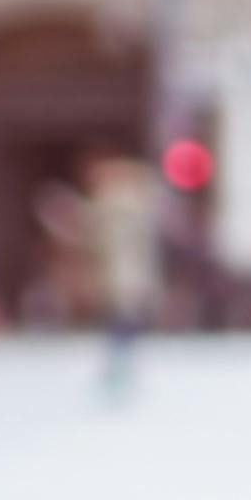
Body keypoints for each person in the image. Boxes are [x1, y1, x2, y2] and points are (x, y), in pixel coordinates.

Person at [77, 144, 166, 399]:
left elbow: (94, 236)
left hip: (120, 274)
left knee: (119, 319)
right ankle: (121, 362)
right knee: (123, 319)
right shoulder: (139, 204)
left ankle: (119, 363)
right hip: (128, 273)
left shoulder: (115, 204)